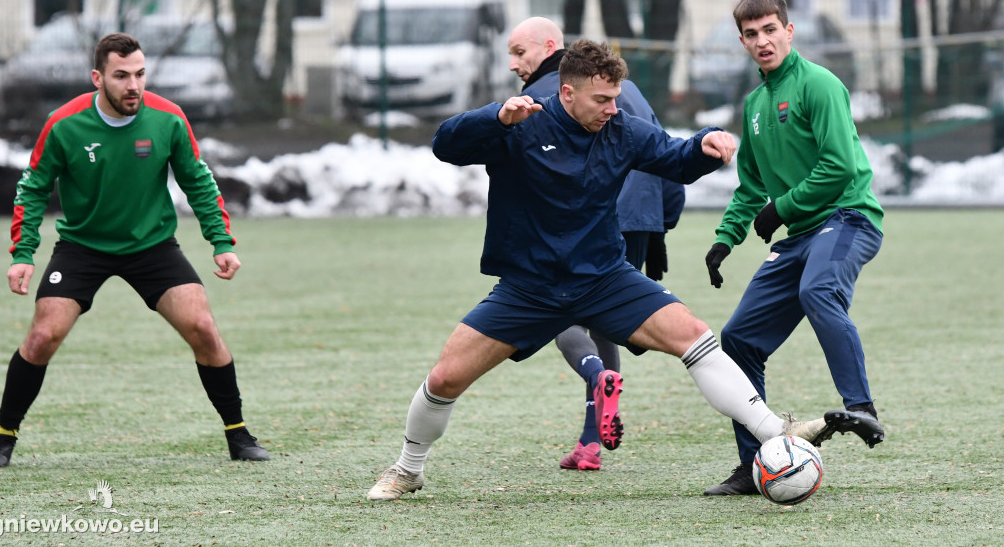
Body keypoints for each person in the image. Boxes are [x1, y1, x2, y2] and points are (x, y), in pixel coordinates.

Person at [367, 38, 872, 501]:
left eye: (616, 98)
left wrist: (704, 145)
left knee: (694, 335)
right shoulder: (521, 125)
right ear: (567, 93)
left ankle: (774, 434)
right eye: (602, 100)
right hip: (530, 287)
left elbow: (673, 157)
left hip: (606, 278)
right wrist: (495, 117)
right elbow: (445, 144)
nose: (613, 108)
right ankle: (409, 469)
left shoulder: (621, 130)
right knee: (445, 379)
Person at [0, 33, 269, 468]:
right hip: (82, 246)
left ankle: (238, 434)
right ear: (98, 78)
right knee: (42, 337)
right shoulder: (65, 123)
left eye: (140, 74)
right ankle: (2, 437)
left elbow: (198, 181)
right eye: (121, 76)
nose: (133, 85)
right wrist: (23, 254)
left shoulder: (167, 119)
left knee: (204, 328)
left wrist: (221, 242)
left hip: (152, 246)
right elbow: (34, 187)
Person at [702, 0, 885, 496]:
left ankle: (861, 408)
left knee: (817, 291)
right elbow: (752, 185)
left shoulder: (819, 84)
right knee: (737, 340)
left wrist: (782, 209)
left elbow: (840, 168)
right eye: (752, 34)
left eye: (770, 30)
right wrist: (725, 239)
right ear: (742, 41)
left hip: (849, 218)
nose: (762, 41)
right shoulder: (756, 104)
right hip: (802, 234)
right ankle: (752, 463)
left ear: (789, 30)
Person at [507, 17, 687, 470]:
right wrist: (660, 221)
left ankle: (594, 375)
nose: (513, 64)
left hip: (589, 222)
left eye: (519, 52)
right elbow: (664, 146)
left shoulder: (551, 95)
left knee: (560, 312)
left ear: (549, 46)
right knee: (605, 322)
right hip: (640, 217)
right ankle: (590, 440)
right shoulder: (622, 85)